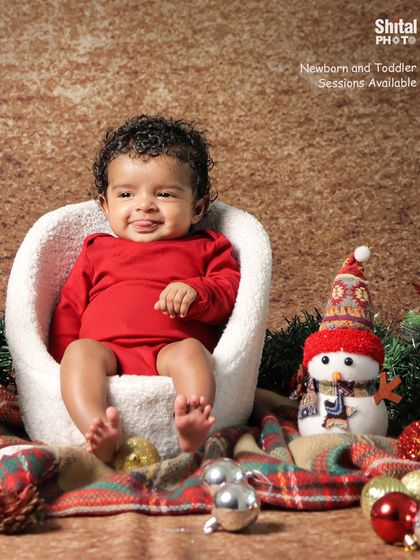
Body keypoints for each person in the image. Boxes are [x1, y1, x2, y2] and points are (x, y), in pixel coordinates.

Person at [49, 115, 240, 463]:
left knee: (193, 354)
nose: (144, 205)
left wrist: (197, 291)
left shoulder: (209, 246)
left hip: (168, 350)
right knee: (79, 354)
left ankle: (193, 420)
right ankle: (96, 427)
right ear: (105, 206)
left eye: (165, 193)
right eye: (125, 193)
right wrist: (57, 364)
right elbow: (69, 308)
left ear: (197, 208)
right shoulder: (96, 249)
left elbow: (228, 293)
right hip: (106, 351)